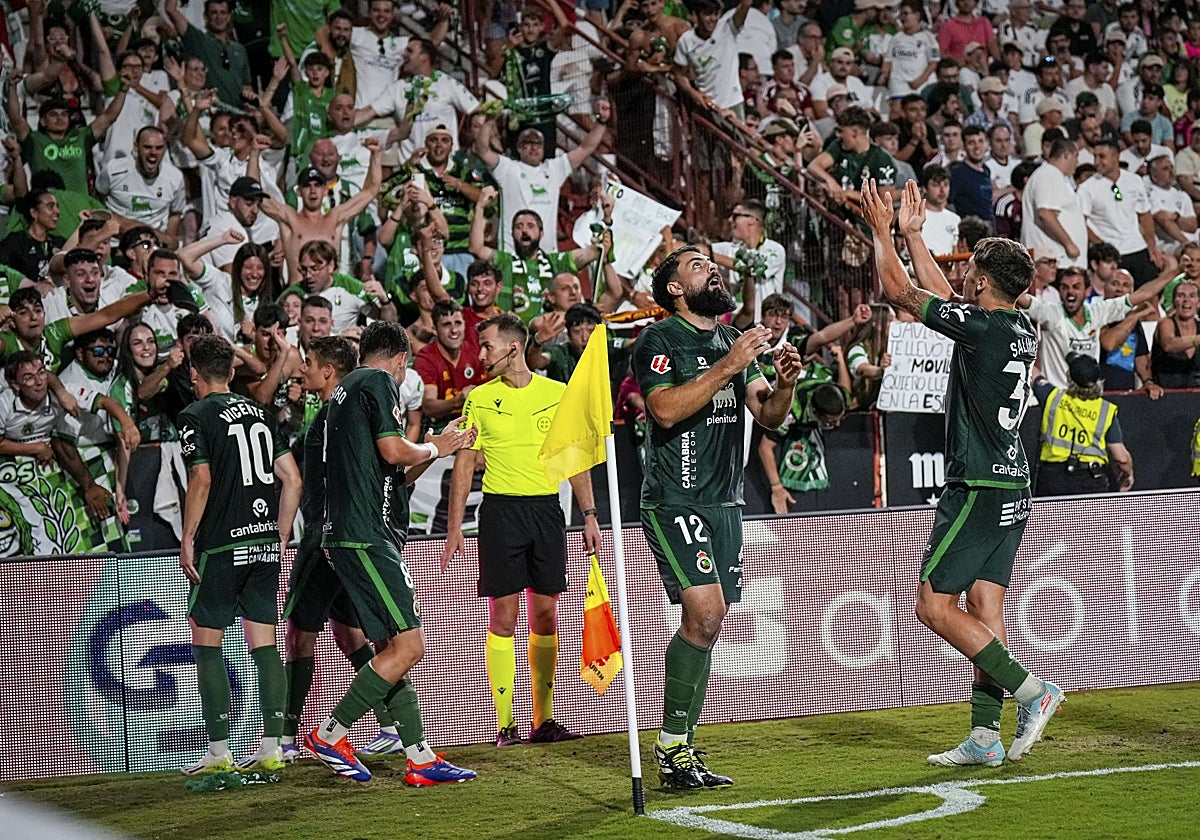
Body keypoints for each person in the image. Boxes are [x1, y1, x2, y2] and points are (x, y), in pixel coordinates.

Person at [862, 178, 1064, 768]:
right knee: (985, 611)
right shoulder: (1015, 326)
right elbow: (948, 297)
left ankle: (1032, 691)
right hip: (1013, 482)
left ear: (982, 282)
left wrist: (883, 233)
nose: (963, 274)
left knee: (934, 606)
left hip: (977, 482)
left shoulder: (981, 327)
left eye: (970, 269)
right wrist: (913, 235)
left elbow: (900, 291)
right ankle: (984, 735)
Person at [632, 246, 802, 789]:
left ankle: (681, 745)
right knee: (705, 614)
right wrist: (728, 365)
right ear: (675, 289)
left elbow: (769, 415)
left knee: (710, 622)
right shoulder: (658, 340)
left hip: (725, 502)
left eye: (712, 264)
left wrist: (786, 384)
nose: (713, 270)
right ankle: (670, 745)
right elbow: (663, 410)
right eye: (698, 266)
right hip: (675, 499)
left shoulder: (732, 339)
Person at [303, 321, 478, 786]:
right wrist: (436, 447)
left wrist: (436, 448)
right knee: (409, 646)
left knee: (390, 649)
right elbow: (395, 450)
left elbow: (391, 473)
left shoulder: (343, 396)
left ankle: (419, 757)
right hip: (365, 536)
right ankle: (329, 734)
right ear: (402, 360)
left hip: (348, 533)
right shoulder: (378, 381)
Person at [440, 313, 602, 748]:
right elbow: (464, 464)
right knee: (504, 616)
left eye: (487, 345)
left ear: (512, 348)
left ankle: (543, 721)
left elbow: (573, 456)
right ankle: (505, 725)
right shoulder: (479, 399)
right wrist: (454, 528)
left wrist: (589, 514)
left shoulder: (557, 393)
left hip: (547, 511)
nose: (481, 354)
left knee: (546, 615)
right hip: (500, 514)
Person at [177, 335, 303, 775]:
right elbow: (293, 479)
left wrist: (188, 536)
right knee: (265, 645)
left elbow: (201, 478)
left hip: (222, 542)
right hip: (264, 541)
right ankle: (271, 748)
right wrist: (281, 533)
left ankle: (218, 752)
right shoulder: (261, 413)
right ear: (231, 373)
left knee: (206, 641)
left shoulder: (194, 415)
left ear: (194, 373)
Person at [1034, 352, 1134, 496]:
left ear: (1069, 378)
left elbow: (1033, 374)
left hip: (1052, 480)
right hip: (1090, 480)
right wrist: (1128, 474)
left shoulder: (1053, 397)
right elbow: (1121, 458)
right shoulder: (1105, 410)